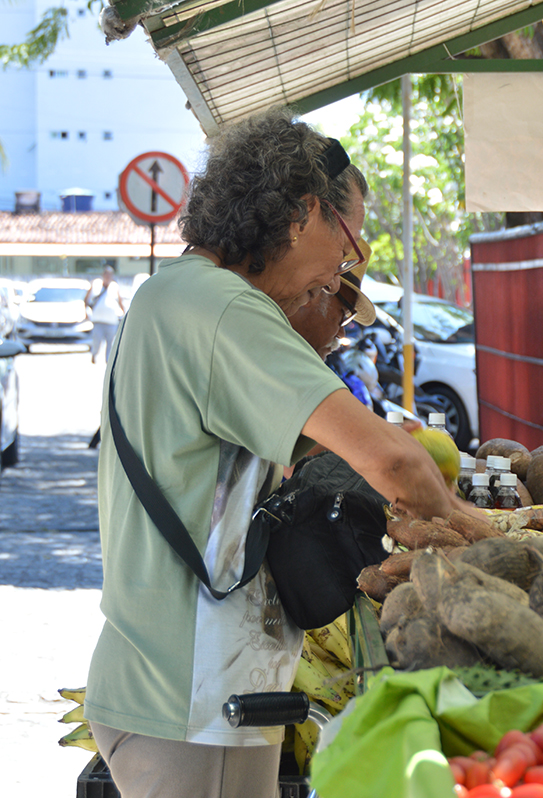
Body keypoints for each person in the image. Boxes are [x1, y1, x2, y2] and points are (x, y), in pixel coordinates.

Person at [83, 109, 467, 798]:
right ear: (303, 216)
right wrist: (481, 542)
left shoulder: (177, 296)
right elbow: (398, 464)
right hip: (187, 702)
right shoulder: (220, 307)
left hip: (185, 692)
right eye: (346, 249)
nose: (337, 276)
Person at [84, 265, 126, 364]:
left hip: (111, 320)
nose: (108, 276)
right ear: (103, 275)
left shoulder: (115, 286)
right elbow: (86, 299)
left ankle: (108, 360)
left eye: (110, 275)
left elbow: (120, 301)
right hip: (97, 320)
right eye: (106, 274)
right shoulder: (96, 284)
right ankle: (94, 354)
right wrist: (85, 312)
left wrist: (124, 314)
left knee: (110, 342)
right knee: (96, 340)